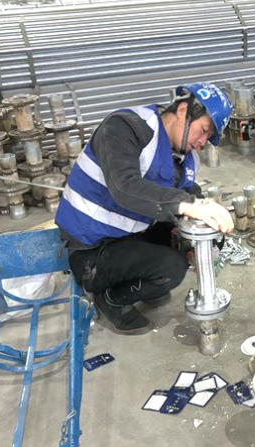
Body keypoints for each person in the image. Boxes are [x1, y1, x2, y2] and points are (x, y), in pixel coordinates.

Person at [55, 83, 234, 335]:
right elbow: (124, 186)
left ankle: (143, 282)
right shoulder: (125, 127)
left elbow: (186, 193)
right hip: (90, 249)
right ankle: (110, 299)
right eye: (204, 130)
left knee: (186, 240)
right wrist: (191, 205)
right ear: (183, 110)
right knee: (171, 267)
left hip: (126, 234)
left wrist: (207, 218)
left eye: (208, 138)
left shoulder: (183, 158)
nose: (202, 142)